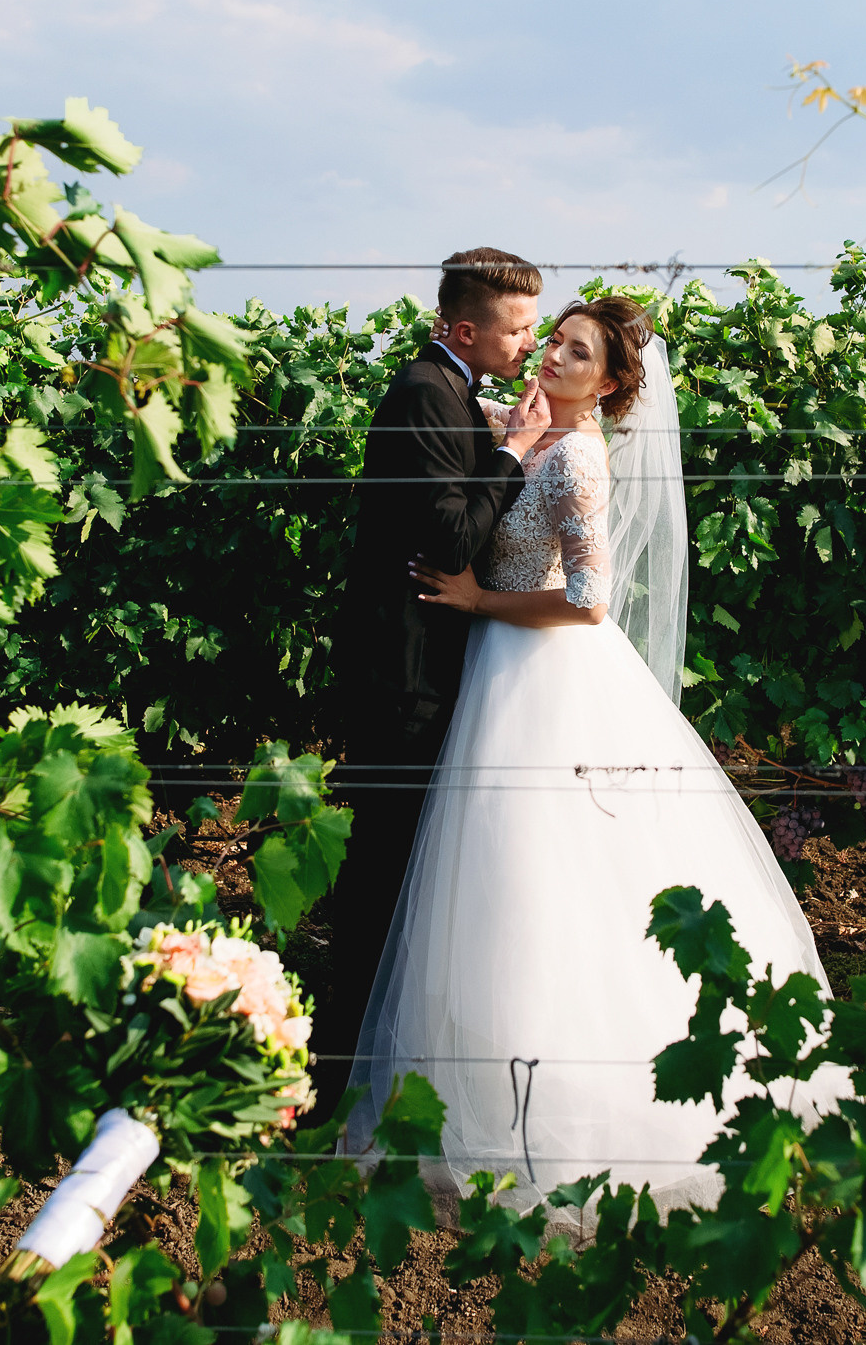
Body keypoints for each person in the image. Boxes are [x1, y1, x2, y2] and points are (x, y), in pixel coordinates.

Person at [345, 294, 851, 1214]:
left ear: (613, 382)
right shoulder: (530, 429)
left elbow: (587, 599)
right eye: (553, 342)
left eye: (576, 354)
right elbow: (471, 451)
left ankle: (565, 1109)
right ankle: (468, 1075)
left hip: (544, 670)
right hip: (494, 675)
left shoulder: (578, 459)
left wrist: (476, 601)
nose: (552, 358)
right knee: (492, 885)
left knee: (546, 883)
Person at [315, 248, 553, 1115]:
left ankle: (373, 1059)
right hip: (402, 678)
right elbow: (447, 538)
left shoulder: (448, 393)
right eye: (518, 327)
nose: (528, 343)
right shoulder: (423, 391)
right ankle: (338, 1076)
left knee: (401, 866)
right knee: (381, 872)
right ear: (462, 331)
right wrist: (518, 450)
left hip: (425, 669)